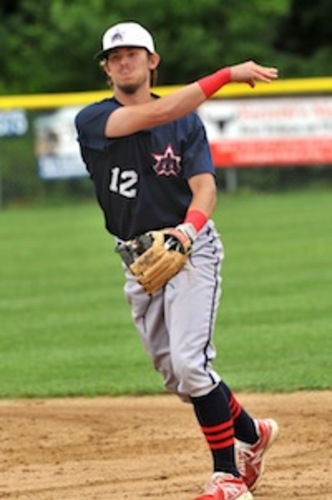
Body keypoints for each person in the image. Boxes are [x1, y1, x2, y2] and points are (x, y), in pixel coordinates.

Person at [75, 21, 279, 500]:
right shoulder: (92, 119)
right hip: (138, 260)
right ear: (107, 69)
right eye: (115, 56)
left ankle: (228, 476)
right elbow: (154, 113)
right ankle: (253, 432)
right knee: (178, 375)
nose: (124, 61)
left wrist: (188, 230)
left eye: (133, 53)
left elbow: (204, 187)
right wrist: (225, 75)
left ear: (153, 61)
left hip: (190, 249)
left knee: (191, 365)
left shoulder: (186, 123)